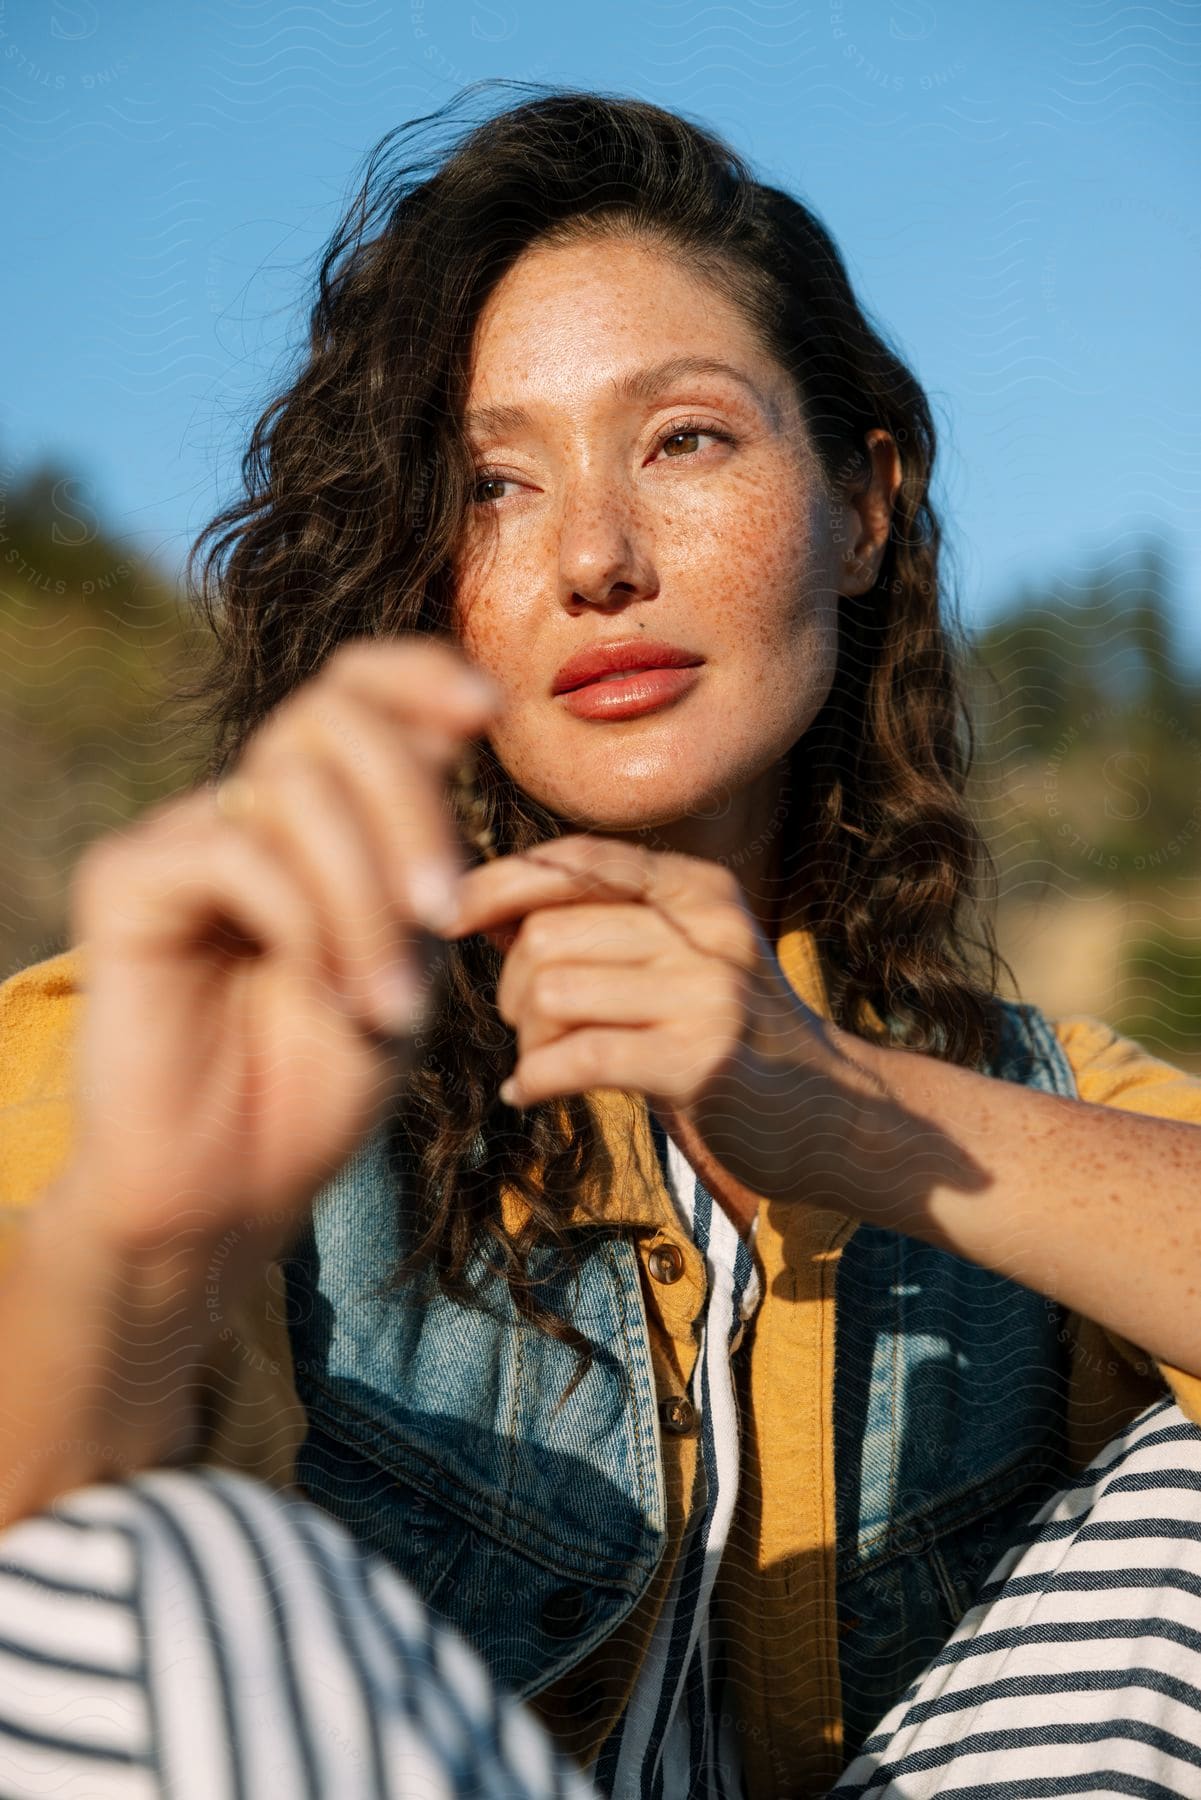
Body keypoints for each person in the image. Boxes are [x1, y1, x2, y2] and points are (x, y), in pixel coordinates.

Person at [2, 83, 1200, 1800]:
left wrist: (855, 1114)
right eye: (489, 483)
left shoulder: (1014, 1094)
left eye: (683, 439)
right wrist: (147, 1232)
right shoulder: (198, 1023)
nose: (591, 556)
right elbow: (47, 1618)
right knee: (165, 1561)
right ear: (421, 572)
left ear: (862, 507)